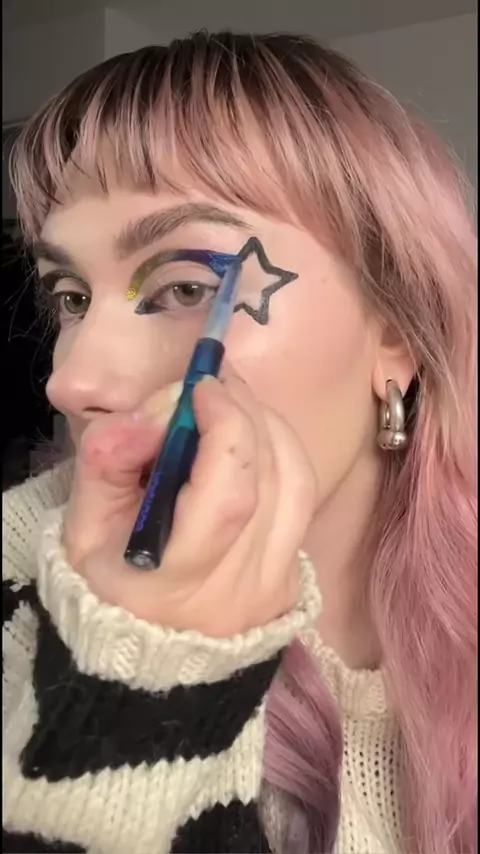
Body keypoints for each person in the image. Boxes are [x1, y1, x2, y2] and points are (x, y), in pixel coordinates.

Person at [2, 30, 477, 854]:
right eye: (71, 297)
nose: (72, 382)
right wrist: (134, 693)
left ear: (397, 333)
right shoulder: (20, 576)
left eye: (186, 286)